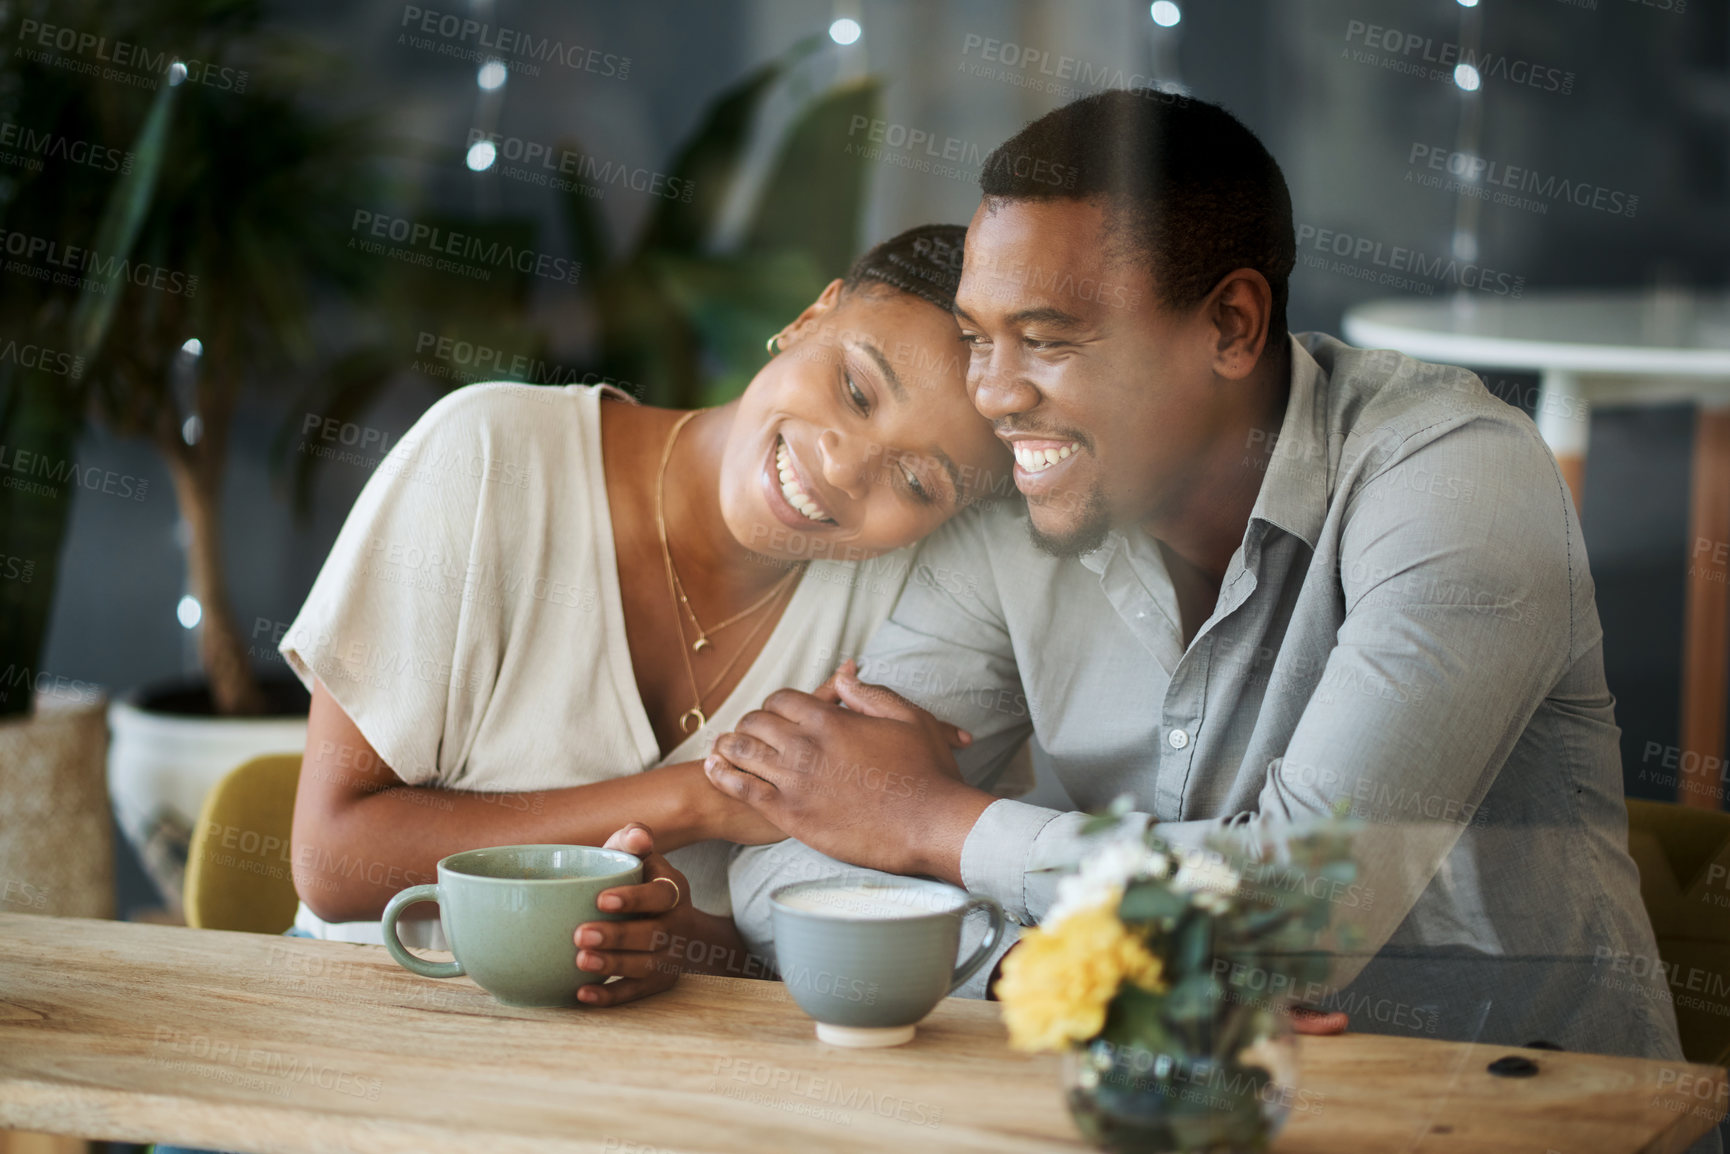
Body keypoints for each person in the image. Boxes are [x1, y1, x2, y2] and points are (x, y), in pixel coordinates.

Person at [708, 91, 1691, 1069]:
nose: (994, 394)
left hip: (1516, 1109)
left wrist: (929, 820)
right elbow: (790, 859)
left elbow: (1303, 911)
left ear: (1228, 324)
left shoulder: (1451, 475)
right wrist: (1065, 983)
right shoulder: (1015, 508)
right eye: (976, 336)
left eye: (1047, 338)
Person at [278, 224, 1016, 1008]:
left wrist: (678, 941)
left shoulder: (910, 608)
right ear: (810, 317)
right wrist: (701, 798)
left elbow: (754, 956)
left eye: (917, 482)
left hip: (636, 1074)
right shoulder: (489, 458)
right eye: (857, 390)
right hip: (364, 1015)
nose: (843, 466)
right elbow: (332, 862)